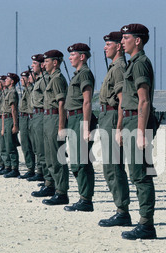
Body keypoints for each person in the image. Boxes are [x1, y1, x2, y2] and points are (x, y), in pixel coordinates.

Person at [118, 24, 157, 240]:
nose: (122, 42)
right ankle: (145, 222)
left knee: (141, 175)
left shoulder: (140, 64)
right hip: (132, 120)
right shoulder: (133, 63)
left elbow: (144, 100)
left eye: (126, 38)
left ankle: (146, 224)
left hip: (139, 122)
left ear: (138, 40)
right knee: (138, 173)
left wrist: (141, 132)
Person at [97, 31, 132, 227]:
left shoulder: (119, 68)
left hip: (112, 118)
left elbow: (122, 101)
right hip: (106, 117)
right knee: (109, 166)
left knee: (113, 167)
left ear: (118, 46)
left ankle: (122, 211)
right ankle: (120, 208)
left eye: (108, 44)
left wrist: (119, 127)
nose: (105, 47)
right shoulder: (114, 67)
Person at [31, 49, 70, 206]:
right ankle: (50, 185)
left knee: (56, 156)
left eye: (47, 61)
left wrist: (61, 126)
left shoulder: (58, 79)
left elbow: (62, 103)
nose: (44, 64)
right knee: (48, 154)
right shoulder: (51, 78)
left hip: (54, 118)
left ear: (55, 62)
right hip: (48, 117)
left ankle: (61, 192)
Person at [64, 43, 96, 212]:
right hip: (74, 118)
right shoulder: (77, 74)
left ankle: (86, 199)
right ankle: (83, 197)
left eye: (73, 55)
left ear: (82, 57)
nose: (70, 57)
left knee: (81, 160)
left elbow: (87, 101)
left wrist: (85, 126)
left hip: (80, 119)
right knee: (77, 160)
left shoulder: (85, 74)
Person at [28, 54, 48, 183]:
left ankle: (46, 177)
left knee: (42, 148)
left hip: (42, 114)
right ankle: (42, 174)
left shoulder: (46, 79)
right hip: (36, 115)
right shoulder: (40, 80)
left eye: (34, 64)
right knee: (37, 146)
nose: (32, 66)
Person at [0, 73, 20, 178]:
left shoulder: (12, 93)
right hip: (6, 118)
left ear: (12, 81)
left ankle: (15, 168)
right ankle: (10, 167)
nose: (5, 80)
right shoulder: (7, 92)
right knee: (8, 145)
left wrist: (15, 125)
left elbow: (14, 109)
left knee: (11, 145)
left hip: (10, 119)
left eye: (7, 79)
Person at [18, 70, 36, 179]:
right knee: (25, 144)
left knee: (32, 145)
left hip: (30, 117)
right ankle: (30, 168)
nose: (21, 81)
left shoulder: (31, 90)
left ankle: (36, 169)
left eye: (23, 78)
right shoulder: (26, 90)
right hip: (24, 117)